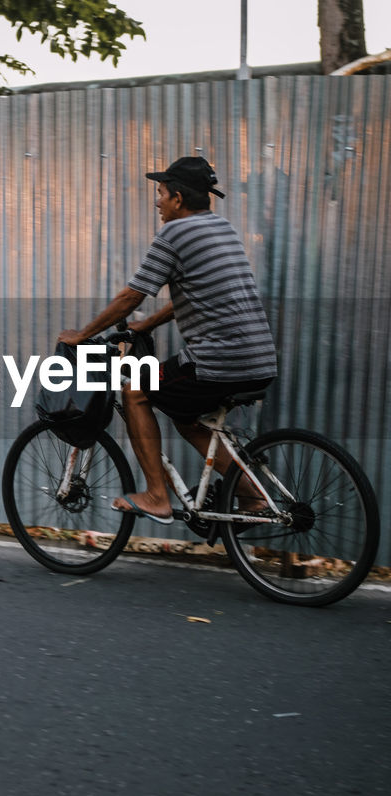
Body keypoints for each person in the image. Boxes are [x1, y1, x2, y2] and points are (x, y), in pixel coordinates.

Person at [58, 155, 277, 523]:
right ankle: (252, 497)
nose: (157, 201)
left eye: (160, 193)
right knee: (186, 418)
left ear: (177, 198)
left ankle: (157, 496)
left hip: (218, 361)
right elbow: (197, 295)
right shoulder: (222, 229)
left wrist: (83, 335)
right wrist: (148, 326)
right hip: (258, 360)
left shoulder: (174, 233)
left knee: (134, 392)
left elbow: (132, 296)